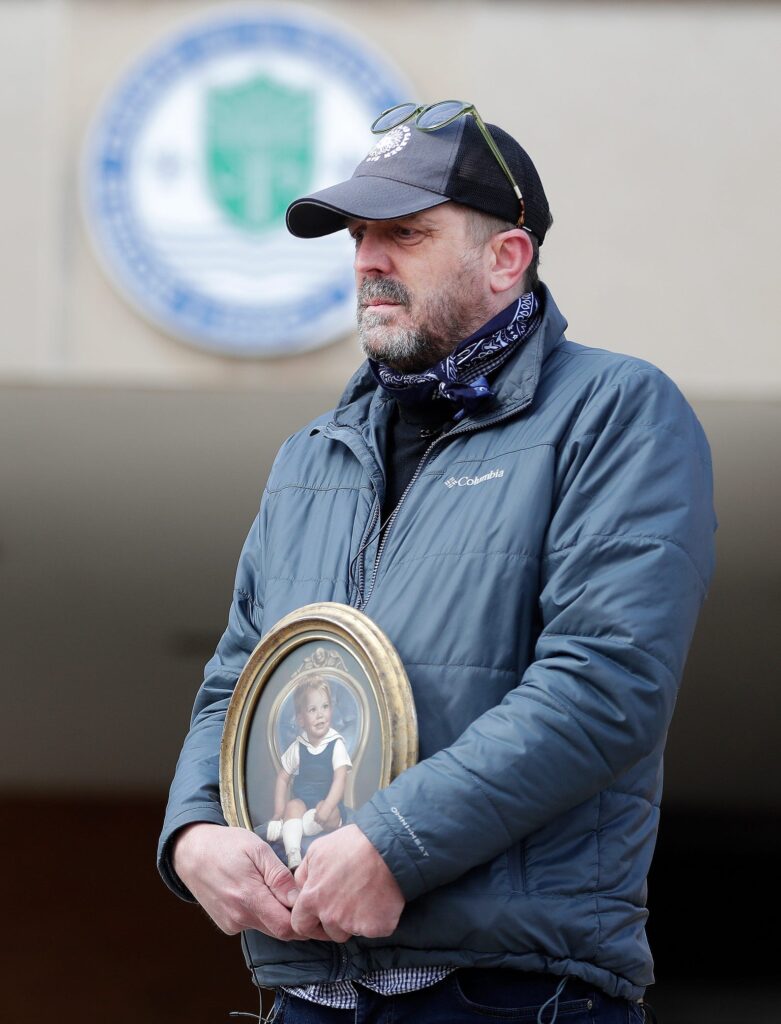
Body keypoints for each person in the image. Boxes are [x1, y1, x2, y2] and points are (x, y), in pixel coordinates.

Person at [158, 101, 715, 1023]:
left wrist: (391, 844)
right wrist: (193, 834)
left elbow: (606, 681)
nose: (369, 259)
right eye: (359, 235)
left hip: (511, 992)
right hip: (308, 993)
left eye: (405, 234)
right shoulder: (312, 453)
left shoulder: (616, 411)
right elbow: (236, 680)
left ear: (507, 259)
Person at [265, 676, 352, 871]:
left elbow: (340, 778)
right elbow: (283, 778)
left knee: (329, 815)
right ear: (301, 719)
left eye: (325, 706)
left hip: (328, 802)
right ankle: (293, 854)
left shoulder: (335, 744)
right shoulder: (298, 746)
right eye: (313, 710)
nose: (320, 715)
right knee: (292, 806)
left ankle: (291, 828)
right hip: (303, 801)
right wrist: (279, 813)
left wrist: (328, 805)